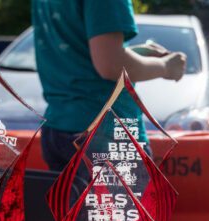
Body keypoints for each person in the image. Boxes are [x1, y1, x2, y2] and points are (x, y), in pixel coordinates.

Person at [31, 0, 186, 173]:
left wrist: (132, 55)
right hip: (105, 133)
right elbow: (111, 65)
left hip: (58, 128)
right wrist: (166, 67)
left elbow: (77, 53)